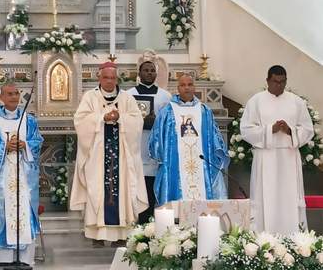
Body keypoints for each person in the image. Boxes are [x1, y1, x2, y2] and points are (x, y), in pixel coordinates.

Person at [70, 62, 148, 247]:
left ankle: (121, 235)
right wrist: (101, 118)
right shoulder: (90, 97)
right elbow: (80, 121)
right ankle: (97, 235)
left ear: (116, 79)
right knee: (97, 190)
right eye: (106, 77)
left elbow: (137, 122)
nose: (109, 81)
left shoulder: (127, 98)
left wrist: (121, 118)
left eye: (113, 78)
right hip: (97, 155)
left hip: (122, 155)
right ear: (99, 78)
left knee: (122, 191)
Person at [0, 82, 43, 266]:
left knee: (23, 211)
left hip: (23, 175)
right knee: (1, 211)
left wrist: (25, 145)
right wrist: (4, 147)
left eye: (16, 93)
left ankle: (23, 257)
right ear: (1, 97)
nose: (14, 97)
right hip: (2, 176)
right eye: (9, 94)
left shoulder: (29, 120)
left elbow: (37, 142)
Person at [240, 65, 314, 235]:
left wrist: (290, 131)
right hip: (265, 156)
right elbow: (245, 130)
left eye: (283, 82)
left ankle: (294, 238)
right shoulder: (256, 101)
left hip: (288, 157)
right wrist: (269, 130)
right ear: (267, 81)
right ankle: (263, 237)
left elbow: (308, 129)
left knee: (288, 199)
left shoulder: (296, 102)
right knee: (265, 199)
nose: (279, 85)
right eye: (275, 82)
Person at [149, 74, 229, 207]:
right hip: (175, 165)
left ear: (194, 87)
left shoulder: (204, 111)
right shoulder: (167, 111)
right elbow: (156, 137)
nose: (186, 88)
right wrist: (163, 158)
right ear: (177, 88)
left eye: (190, 84)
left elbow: (214, 137)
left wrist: (217, 154)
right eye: (183, 85)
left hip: (201, 165)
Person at [126, 51, 171, 223]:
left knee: (153, 188)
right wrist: (140, 122)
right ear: (139, 73)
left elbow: (169, 122)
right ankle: (138, 222)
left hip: (155, 150)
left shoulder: (165, 96)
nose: (149, 73)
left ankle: (155, 222)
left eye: (152, 70)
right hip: (136, 147)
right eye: (146, 70)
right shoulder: (128, 95)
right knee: (137, 186)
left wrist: (156, 123)